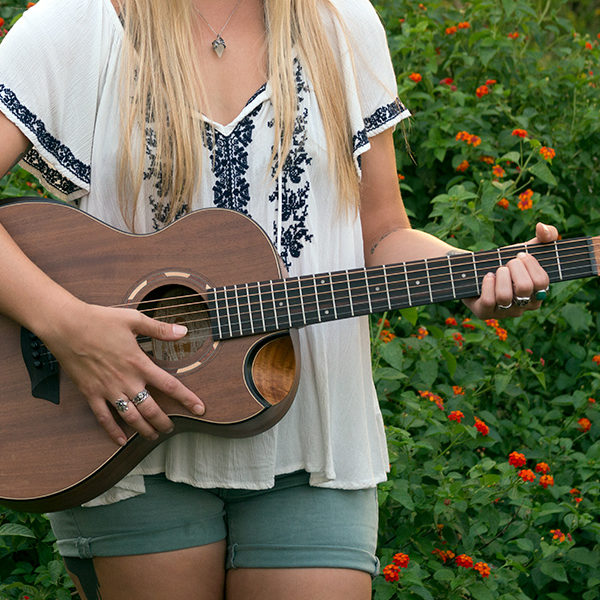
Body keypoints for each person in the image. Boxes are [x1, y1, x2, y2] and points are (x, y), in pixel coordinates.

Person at [0, 0, 557, 598]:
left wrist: (467, 274)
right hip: (129, 433)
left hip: (315, 438)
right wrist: (67, 327)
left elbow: (382, 235)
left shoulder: (342, 22)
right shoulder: (76, 26)